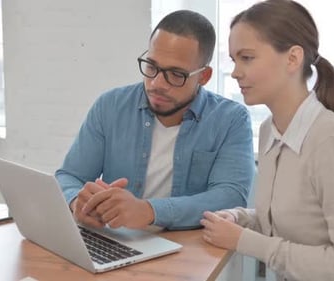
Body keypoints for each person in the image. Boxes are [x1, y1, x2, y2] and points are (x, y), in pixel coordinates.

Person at [200, 0, 334, 280]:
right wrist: (240, 219)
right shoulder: (269, 131)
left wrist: (244, 240)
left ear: (292, 58)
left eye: (247, 58)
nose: (236, 71)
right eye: (234, 60)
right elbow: (291, 222)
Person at [55, 10, 255, 231]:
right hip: (116, 240)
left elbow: (229, 197)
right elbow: (69, 176)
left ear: (204, 76)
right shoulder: (110, 106)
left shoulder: (231, 119)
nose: (157, 83)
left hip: (187, 249)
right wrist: (76, 201)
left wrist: (150, 211)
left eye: (176, 74)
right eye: (151, 67)